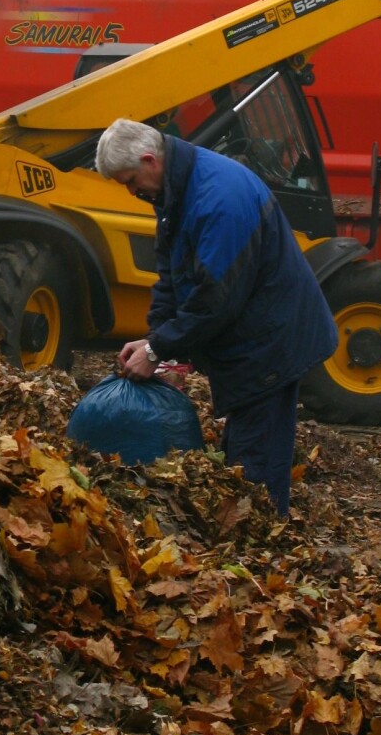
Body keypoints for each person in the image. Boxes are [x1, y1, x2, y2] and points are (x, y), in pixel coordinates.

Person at [95, 118, 337, 515]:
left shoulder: (218, 199)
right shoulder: (174, 192)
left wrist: (158, 351)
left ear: (149, 159)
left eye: (130, 180)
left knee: (255, 462)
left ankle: (261, 545)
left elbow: (214, 300)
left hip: (271, 339)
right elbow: (173, 277)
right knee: (243, 452)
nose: (132, 190)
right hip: (249, 335)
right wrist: (163, 350)